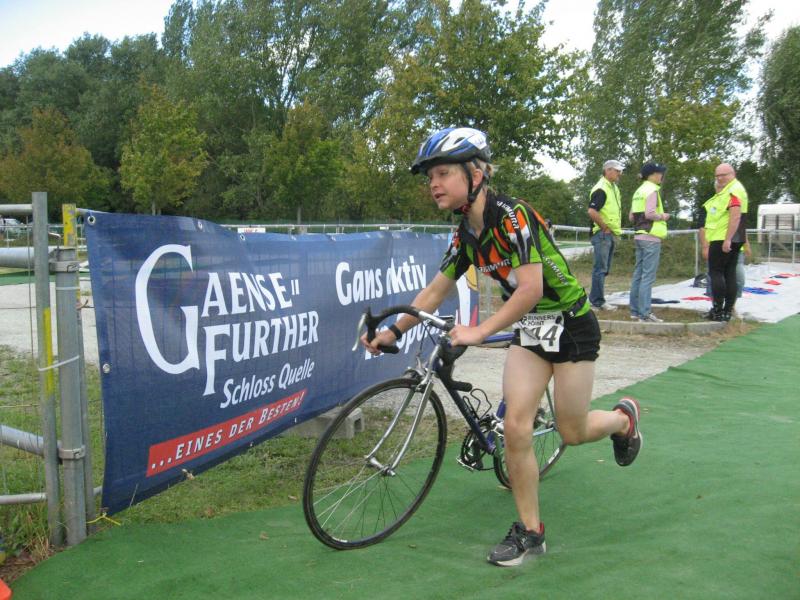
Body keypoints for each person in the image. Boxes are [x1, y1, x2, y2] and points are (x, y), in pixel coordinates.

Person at [362, 127, 642, 567]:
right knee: (515, 426)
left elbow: (531, 288)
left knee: (572, 432)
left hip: (571, 325)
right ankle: (531, 532)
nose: (434, 183)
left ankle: (623, 421)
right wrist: (394, 332)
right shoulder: (465, 235)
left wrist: (479, 331)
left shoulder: (513, 217)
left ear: (475, 175)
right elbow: (435, 291)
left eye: (443, 173)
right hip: (532, 329)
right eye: (430, 177)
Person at [699, 163, 748, 321]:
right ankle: (726, 311)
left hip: (723, 237)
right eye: (717, 176)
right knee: (729, 273)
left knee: (717, 273)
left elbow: (735, 215)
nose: (720, 178)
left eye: (723, 175)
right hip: (731, 236)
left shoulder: (734, 190)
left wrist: (727, 239)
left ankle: (719, 309)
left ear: (732, 174)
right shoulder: (731, 189)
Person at [628, 162, 670, 322]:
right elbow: (650, 213)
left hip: (639, 235)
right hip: (651, 236)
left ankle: (634, 311)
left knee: (638, 275)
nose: (661, 176)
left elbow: (631, 217)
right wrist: (663, 216)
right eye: (659, 173)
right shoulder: (652, 190)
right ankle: (644, 313)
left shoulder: (638, 191)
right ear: (652, 175)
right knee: (648, 277)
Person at [587, 160, 625, 311]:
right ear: (608, 170)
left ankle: (597, 299)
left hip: (608, 233)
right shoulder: (602, 188)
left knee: (604, 269)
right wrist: (605, 227)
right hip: (602, 234)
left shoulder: (613, 187)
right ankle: (597, 301)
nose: (620, 173)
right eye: (617, 171)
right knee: (600, 268)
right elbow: (592, 211)